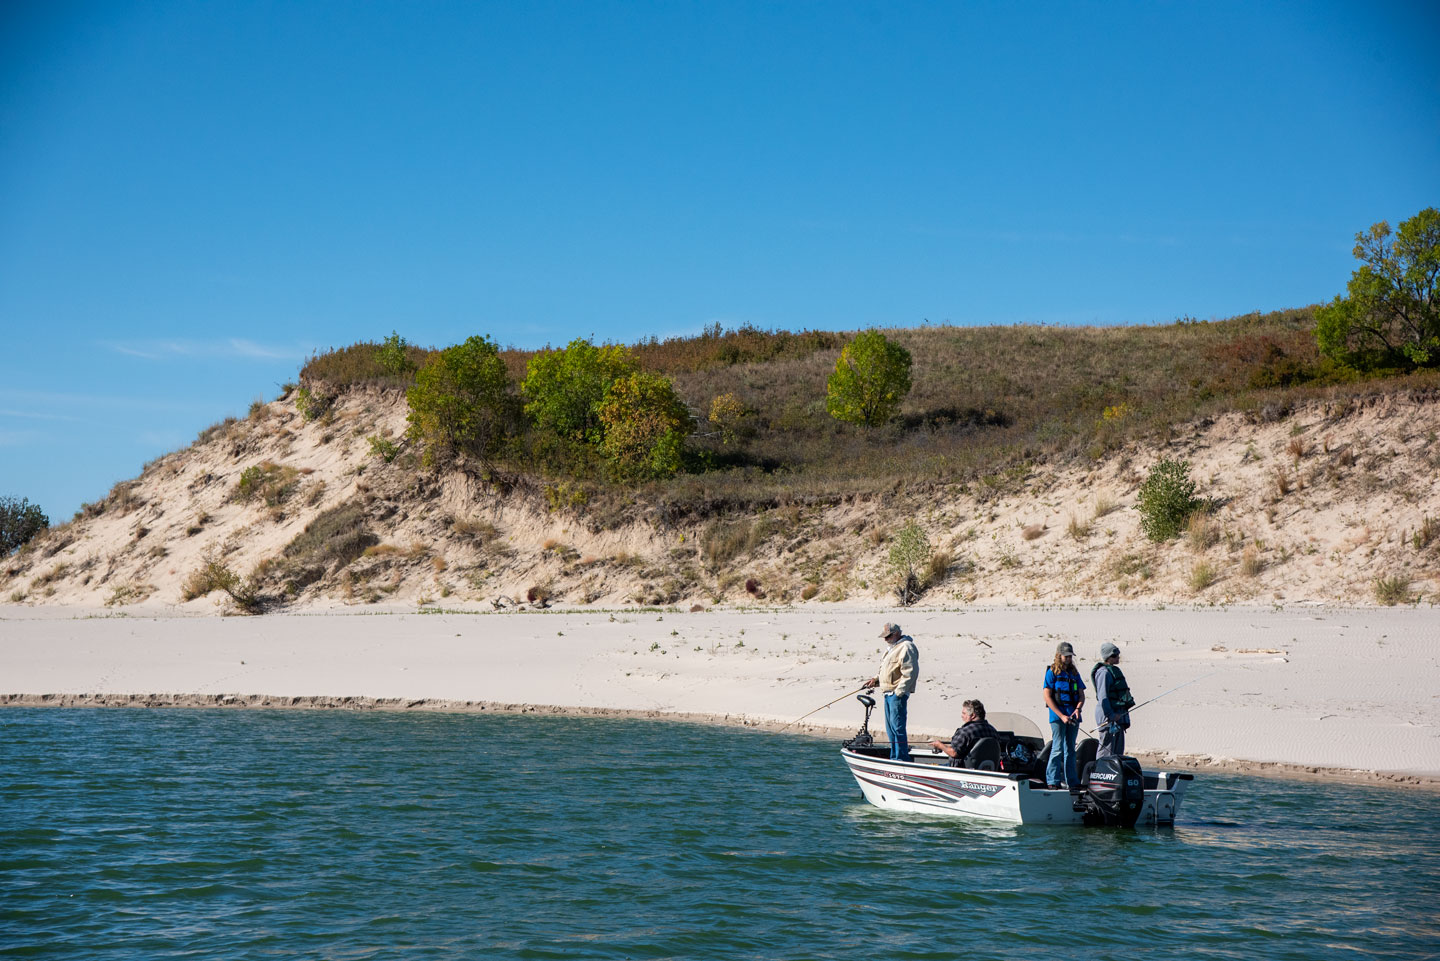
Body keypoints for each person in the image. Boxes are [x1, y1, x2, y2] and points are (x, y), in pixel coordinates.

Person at [861, 622, 919, 762]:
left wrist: (899, 692)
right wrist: (875, 680)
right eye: (884, 636)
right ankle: (895, 757)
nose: (885, 639)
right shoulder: (891, 649)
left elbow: (910, 672)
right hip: (887, 693)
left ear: (897, 634)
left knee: (897, 728)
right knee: (890, 730)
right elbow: (887, 670)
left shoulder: (906, 647)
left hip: (896, 694)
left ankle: (900, 758)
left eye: (888, 636)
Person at [1042, 641, 1086, 790]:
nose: (1068, 658)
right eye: (1065, 656)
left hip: (1073, 717)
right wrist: (1061, 716)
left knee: (1070, 750)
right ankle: (1052, 780)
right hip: (1057, 717)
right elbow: (1047, 697)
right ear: (1059, 655)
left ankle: (1072, 781)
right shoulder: (1052, 672)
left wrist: (1078, 709)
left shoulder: (1074, 673)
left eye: (1070, 656)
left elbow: (1081, 695)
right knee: (1057, 748)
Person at [1091, 641, 1135, 759]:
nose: (1118, 657)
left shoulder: (1113, 671)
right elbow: (1103, 697)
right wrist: (1110, 715)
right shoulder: (1103, 673)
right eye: (1114, 655)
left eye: (1118, 655)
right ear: (1108, 657)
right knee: (1106, 749)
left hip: (1118, 716)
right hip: (1108, 717)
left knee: (1117, 751)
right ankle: (1100, 772)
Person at [929, 699, 998, 769]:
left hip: (960, 771)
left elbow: (953, 753)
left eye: (964, 713)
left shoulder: (966, 731)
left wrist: (940, 745)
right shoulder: (993, 731)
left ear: (973, 715)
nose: (962, 716)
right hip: (984, 770)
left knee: (928, 767)